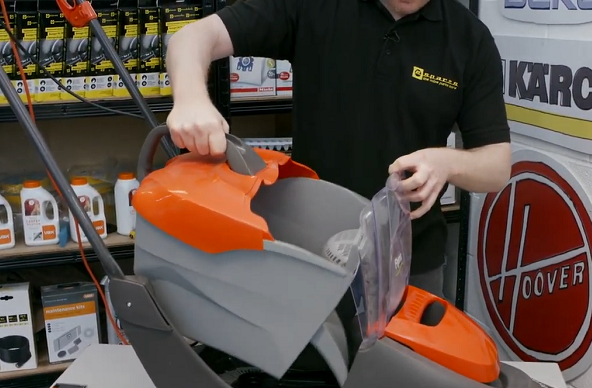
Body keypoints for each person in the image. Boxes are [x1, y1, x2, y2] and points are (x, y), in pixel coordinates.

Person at [165, 0, 511, 298]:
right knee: (305, 372)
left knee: (400, 374)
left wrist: (447, 162)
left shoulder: (470, 41)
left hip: (409, 265)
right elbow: (192, 38)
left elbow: (497, 166)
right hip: (306, 253)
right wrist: (192, 97)